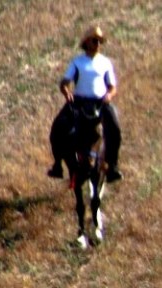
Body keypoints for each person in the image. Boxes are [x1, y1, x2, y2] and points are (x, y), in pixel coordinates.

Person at [47, 25, 123, 183]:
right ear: (87, 42)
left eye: (100, 41)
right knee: (58, 127)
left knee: (114, 128)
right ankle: (57, 164)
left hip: (100, 102)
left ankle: (112, 166)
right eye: (95, 41)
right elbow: (64, 83)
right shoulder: (77, 62)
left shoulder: (105, 63)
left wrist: (109, 95)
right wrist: (67, 93)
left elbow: (112, 86)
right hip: (79, 101)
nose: (98, 44)